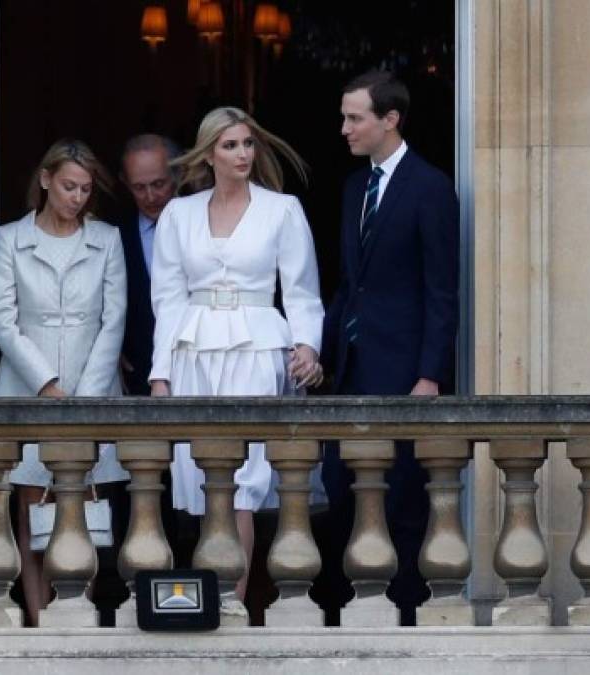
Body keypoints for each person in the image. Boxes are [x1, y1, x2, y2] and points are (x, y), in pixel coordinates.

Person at [149, 107, 325, 603]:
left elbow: (302, 292)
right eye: (230, 145)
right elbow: (166, 298)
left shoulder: (282, 209)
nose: (243, 154)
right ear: (209, 154)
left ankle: (232, 604)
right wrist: (160, 373)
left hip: (256, 348)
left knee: (242, 484)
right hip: (192, 350)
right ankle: (209, 599)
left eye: (248, 144)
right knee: (202, 480)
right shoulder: (178, 214)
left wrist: (307, 346)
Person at [321, 70, 460, 625]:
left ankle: (404, 617)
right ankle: (344, 612)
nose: (345, 128)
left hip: (404, 373)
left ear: (390, 119)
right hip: (349, 369)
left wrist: (430, 375)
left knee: (402, 501)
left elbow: (441, 291)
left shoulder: (430, 186)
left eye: (354, 118)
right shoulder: (356, 187)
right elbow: (348, 284)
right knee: (340, 491)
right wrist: (323, 355)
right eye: (345, 117)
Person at [0, 138, 128, 626]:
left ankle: (77, 614)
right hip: (26, 388)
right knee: (32, 513)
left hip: (95, 386)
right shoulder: (11, 238)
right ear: (46, 180)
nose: (77, 198)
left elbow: (115, 320)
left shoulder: (107, 238)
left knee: (84, 513)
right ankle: (39, 619)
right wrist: (45, 382)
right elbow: (2, 321)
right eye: (69, 186)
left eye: (86, 189)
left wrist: (87, 397)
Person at [118, 134, 180, 396]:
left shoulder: (205, 224)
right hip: (136, 374)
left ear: (177, 174)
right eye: (139, 187)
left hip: (197, 367)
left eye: (159, 184)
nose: (150, 196)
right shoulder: (115, 235)